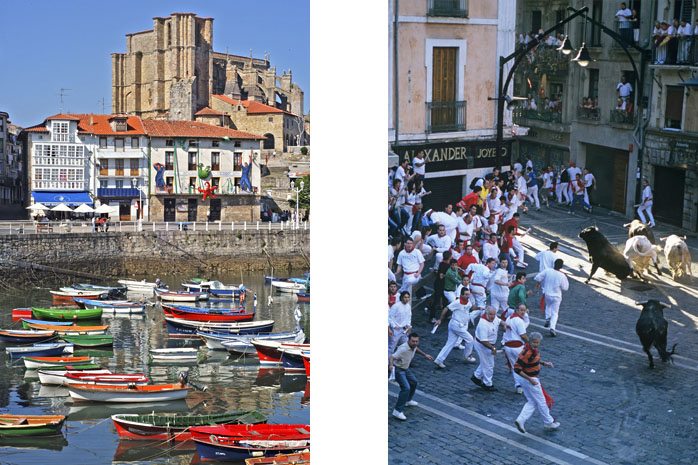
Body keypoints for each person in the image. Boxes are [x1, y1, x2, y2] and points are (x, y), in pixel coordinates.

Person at [513, 332, 559, 433]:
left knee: (532, 401)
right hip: (530, 379)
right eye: (534, 342)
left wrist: (543, 363)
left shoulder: (531, 350)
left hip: (527, 379)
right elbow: (517, 368)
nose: (536, 344)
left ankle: (520, 420)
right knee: (541, 401)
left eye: (538, 342)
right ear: (530, 341)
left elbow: (533, 360)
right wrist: (530, 379)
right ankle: (548, 422)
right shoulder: (528, 352)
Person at [391, 333, 433, 421]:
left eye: (416, 341)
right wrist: (391, 366)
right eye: (413, 341)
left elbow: (416, 349)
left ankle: (408, 400)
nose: (415, 343)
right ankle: (397, 411)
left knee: (414, 382)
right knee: (406, 388)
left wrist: (425, 355)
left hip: (406, 369)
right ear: (408, 340)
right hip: (399, 369)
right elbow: (392, 357)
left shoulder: (413, 347)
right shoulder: (403, 349)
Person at [433, 287, 477, 369]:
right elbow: (446, 308)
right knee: (470, 339)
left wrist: (479, 307)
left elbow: (470, 308)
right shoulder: (457, 302)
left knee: (450, 343)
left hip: (458, 325)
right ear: (461, 295)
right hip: (456, 325)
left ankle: (439, 360)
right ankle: (467, 356)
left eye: (469, 294)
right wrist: (440, 319)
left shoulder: (468, 301)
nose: (468, 296)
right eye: (466, 295)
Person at [471, 306, 506, 391]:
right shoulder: (483, 324)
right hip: (483, 345)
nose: (493, 316)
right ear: (486, 313)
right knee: (489, 365)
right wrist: (492, 348)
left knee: (485, 362)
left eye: (494, 314)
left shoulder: (493, 318)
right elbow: (484, 341)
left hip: (488, 344)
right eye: (490, 314)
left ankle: (476, 376)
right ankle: (488, 384)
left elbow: (499, 321)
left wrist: (504, 325)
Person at [534, 258, 569, 337]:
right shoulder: (562, 275)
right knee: (555, 313)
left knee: (548, 306)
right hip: (557, 295)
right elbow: (565, 288)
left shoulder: (547, 271)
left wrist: (540, 282)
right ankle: (552, 327)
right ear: (561, 266)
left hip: (547, 293)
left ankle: (547, 318)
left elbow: (537, 277)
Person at [502, 304, 530, 394]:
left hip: (507, 346)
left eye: (524, 310)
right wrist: (529, 343)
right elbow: (523, 335)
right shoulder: (519, 321)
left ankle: (518, 385)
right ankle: (526, 383)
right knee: (524, 365)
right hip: (517, 347)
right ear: (516, 310)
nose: (523, 312)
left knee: (515, 366)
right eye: (521, 310)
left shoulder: (509, 318)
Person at [429, 250, 452, 323]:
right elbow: (441, 276)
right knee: (436, 301)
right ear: (449, 257)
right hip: (440, 285)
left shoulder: (442, 264)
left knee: (445, 300)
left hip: (442, 285)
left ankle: (445, 315)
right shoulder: (445, 265)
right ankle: (431, 317)